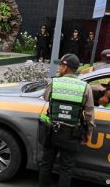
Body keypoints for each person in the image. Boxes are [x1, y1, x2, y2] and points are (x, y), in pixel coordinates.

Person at [38, 53, 95, 187]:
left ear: (65, 66)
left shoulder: (55, 82)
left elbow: (45, 97)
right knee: (66, 168)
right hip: (72, 134)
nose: (58, 68)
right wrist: (89, 132)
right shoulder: (85, 87)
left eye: (60, 65)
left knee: (46, 164)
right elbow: (89, 112)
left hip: (52, 132)